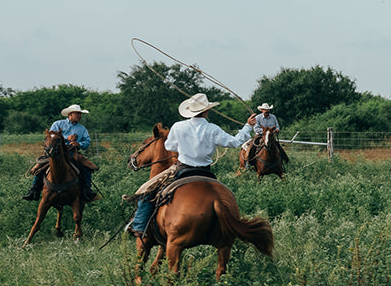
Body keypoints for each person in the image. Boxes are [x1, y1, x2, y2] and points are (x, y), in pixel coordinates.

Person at [129, 93, 257, 238]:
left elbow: (169, 145)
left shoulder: (178, 127)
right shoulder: (213, 129)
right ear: (206, 111)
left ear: (191, 111)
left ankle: (139, 227)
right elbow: (234, 142)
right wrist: (248, 126)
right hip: (206, 172)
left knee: (147, 191)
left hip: (182, 169)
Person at [23, 104, 99, 202]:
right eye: (78, 113)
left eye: (80, 114)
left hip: (72, 152)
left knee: (86, 167)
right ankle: (34, 190)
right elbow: (50, 138)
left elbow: (87, 142)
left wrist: (78, 144)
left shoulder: (82, 129)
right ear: (70, 114)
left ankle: (87, 190)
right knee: (42, 166)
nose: (80, 116)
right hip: (55, 152)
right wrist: (66, 138)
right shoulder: (58, 124)